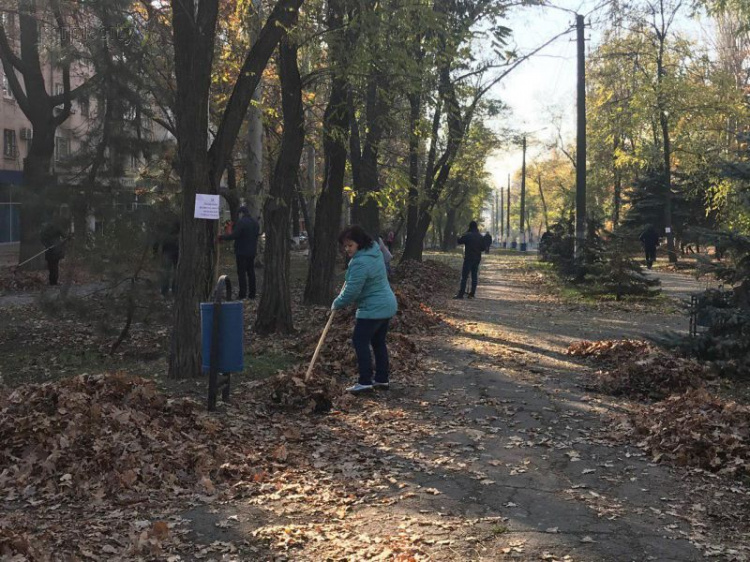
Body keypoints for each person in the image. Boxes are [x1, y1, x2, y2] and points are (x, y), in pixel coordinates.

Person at [332, 225, 398, 394]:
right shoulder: (374, 252)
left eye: (350, 245)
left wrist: (337, 303)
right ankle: (382, 380)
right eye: (345, 246)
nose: (347, 249)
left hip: (374, 307)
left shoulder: (360, 262)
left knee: (359, 340)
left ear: (359, 244)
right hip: (387, 304)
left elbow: (352, 291)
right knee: (378, 342)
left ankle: (365, 382)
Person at [219, 206, 260, 299]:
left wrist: (222, 237)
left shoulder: (241, 223)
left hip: (241, 251)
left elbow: (234, 235)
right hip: (252, 251)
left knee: (241, 273)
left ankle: (242, 294)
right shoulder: (255, 222)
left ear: (241, 213)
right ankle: (252, 294)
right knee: (251, 272)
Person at [454, 221, 485, 299]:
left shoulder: (467, 235)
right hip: (477, 258)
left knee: (464, 276)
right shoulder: (480, 236)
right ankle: (472, 293)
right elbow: (483, 248)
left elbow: (459, 241)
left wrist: (458, 236)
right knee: (474, 276)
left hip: (468, 258)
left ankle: (461, 294)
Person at [40, 222, 68, 286]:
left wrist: (61, 243)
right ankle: (53, 282)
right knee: (54, 266)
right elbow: (65, 236)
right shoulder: (54, 228)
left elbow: (65, 237)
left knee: (53, 266)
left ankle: (53, 281)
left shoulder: (48, 229)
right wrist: (48, 246)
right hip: (52, 250)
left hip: (54, 250)